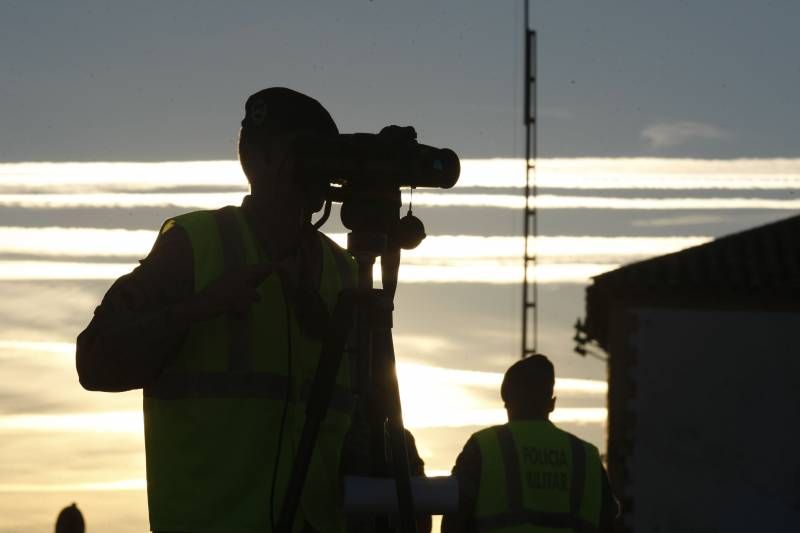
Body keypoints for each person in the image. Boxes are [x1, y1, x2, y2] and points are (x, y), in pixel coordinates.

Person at [77, 87, 360, 533]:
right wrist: (201, 307)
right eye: (301, 154)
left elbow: (371, 413)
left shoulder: (345, 274)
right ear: (262, 162)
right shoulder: (194, 248)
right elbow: (93, 363)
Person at [441, 355, 618, 533]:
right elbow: (609, 522)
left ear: (507, 401)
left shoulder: (483, 447)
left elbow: (455, 517)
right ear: (552, 403)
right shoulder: (586, 457)